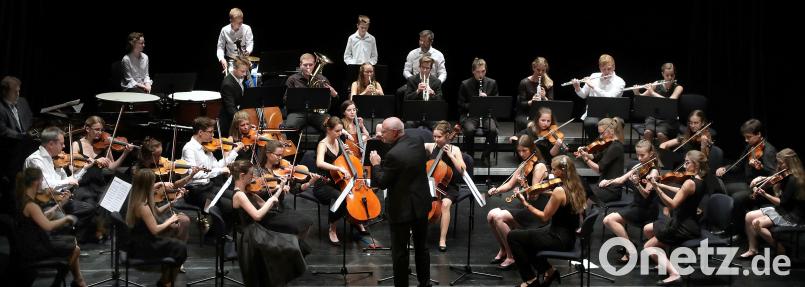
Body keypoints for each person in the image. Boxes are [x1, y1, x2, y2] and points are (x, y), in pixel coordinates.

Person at [369, 117, 432, 287]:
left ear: (395, 132)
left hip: (401, 209)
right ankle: (425, 282)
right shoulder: (417, 139)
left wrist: (376, 164)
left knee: (400, 252)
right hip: (421, 203)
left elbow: (382, 183)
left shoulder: (393, 155)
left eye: (384, 132)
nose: (381, 135)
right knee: (422, 247)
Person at [507, 155, 587, 287]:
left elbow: (544, 216)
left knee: (513, 236)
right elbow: (562, 197)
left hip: (558, 238)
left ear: (562, 171)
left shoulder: (559, 191)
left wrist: (525, 203)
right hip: (569, 236)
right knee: (527, 236)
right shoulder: (577, 185)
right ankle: (549, 271)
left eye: (554, 169)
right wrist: (543, 192)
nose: (551, 173)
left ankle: (530, 280)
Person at [229, 160, 307, 286]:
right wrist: (271, 200)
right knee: (288, 247)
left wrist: (279, 189)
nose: (254, 177)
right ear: (242, 176)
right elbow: (258, 215)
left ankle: (277, 281)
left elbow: (265, 205)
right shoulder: (239, 195)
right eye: (251, 175)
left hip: (257, 231)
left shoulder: (248, 191)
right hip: (249, 237)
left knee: (292, 243)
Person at [644, 150, 709, 285]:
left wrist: (657, 188)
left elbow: (672, 204)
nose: (684, 166)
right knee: (648, 229)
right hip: (685, 221)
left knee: (648, 247)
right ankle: (664, 262)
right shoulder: (699, 180)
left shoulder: (689, 183)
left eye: (687, 163)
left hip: (683, 226)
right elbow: (681, 192)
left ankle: (674, 274)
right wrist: (660, 184)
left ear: (696, 165)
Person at [15, 167, 87, 287]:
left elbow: (44, 216)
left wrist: (60, 204)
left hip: (35, 242)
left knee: (74, 247)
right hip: (34, 247)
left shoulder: (26, 200)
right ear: (36, 182)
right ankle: (65, 282)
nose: (42, 183)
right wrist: (66, 218)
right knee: (74, 249)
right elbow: (48, 226)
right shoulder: (30, 205)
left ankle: (77, 281)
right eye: (41, 180)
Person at [486, 135, 549, 269]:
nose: (521, 154)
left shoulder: (539, 166)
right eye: (519, 151)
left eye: (524, 151)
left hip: (537, 209)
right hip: (526, 205)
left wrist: (524, 185)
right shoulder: (525, 164)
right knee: (491, 214)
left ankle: (512, 256)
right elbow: (509, 185)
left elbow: (533, 197)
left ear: (532, 148)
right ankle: (503, 249)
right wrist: (496, 190)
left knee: (499, 218)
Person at [599, 139, 660, 262]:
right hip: (636, 205)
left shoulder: (653, 172)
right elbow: (621, 180)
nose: (639, 158)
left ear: (651, 154)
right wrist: (608, 181)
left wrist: (637, 184)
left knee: (609, 219)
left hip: (646, 209)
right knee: (609, 220)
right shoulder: (639, 166)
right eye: (637, 155)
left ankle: (630, 250)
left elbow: (646, 195)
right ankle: (630, 247)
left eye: (642, 155)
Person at [714, 119, 777, 238]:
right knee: (723, 188)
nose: (746, 140)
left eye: (749, 137)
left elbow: (773, 175)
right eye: (745, 137)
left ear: (759, 134)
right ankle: (734, 221)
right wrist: (725, 168)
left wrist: (761, 167)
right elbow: (738, 165)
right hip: (749, 185)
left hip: (761, 190)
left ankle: (739, 231)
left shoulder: (768, 151)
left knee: (737, 198)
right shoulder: (750, 147)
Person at [125, 169, 187, 287]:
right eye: (153, 183)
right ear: (147, 185)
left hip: (141, 240)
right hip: (144, 246)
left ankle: (165, 280)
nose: (155, 186)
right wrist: (170, 220)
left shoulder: (139, 198)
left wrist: (173, 201)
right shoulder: (142, 205)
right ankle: (166, 282)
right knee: (180, 249)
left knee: (177, 247)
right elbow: (155, 229)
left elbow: (157, 211)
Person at [739, 148, 805, 258]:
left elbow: (781, 202)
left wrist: (764, 194)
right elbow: (778, 179)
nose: (779, 165)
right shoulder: (787, 174)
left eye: (781, 163)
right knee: (748, 216)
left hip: (792, 215)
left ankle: (781, 249)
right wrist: (762, 178)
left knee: (757, 223)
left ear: (790, 162)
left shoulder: (794, 179)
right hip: (784, 210)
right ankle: (752, 249)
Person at [255, 139, 318, 239]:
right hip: (267, 210)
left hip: (281, 207)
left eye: (281, 155)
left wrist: (310, 182)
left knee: (308, 222)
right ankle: (292, 247)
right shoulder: (257, 171)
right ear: (268, 154)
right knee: (296, 227)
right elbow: (257, 192)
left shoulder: (282, 170)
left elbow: (296, 189)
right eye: (277, 155)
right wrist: (278, 188)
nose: (280, 158)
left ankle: (297, 248)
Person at [181, 117, 244, 214]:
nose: (213, 135)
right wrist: (221, 171)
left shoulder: (206, 146)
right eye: (210, 132)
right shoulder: (189, 149)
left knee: (237, 197)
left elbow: (217, 165)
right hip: (196, 191)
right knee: (229, 205)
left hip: (208, 186)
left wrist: (235, 151)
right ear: (200, 132)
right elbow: (195, 175)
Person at [424, 121, 466, 252]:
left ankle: (442, 239)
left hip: (449, 186)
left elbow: (462, 170)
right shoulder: (431, 146)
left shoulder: (455, 150)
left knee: (445, 204)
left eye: (439, 137)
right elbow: (415, 147)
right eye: (434, 136)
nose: (436, 139)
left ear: (448, 135)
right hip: (432, 184)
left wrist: (451, 156)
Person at [314, 116, 355, 245]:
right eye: (337, 131)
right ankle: (332, 229)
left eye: (341, 131)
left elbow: (345, 161)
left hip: (338, 181)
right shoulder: (323, 144)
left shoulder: (340, 142)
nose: (339, 133)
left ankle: (356, 221)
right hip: (323, 183)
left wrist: (348, 154)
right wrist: (338, 168)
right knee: (340, 198)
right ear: (329, 130)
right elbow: (319, 163)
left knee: (352, 197)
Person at [572, 54, 626, 140]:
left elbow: (609, 97)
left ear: (614, 67)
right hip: (594, 113)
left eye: (609, 69)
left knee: (613, 124)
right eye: (603, 69)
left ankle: (608, 147)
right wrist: (577, 88)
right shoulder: (594, 76)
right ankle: (596, 147)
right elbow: (583, 95)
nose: (606, 72)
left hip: (612, 114)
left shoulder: (620, 82)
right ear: (600, 68)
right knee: (589, 123)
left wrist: (593, 86)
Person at [1, 75, 34, 213]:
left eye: (19, 90)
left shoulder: (22, 102)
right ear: (5, 92)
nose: (18, 94)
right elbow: (2, 130)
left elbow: (30, 120)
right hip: (9, 150)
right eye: (15, 91)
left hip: (26, 146)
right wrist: (22, 136)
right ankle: (13, 209)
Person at [458, 58, 500, 163]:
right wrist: (475, 103)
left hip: (487, 114)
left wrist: (487, 100)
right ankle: (470, 155)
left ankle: (485, 155)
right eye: (478, 72)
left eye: (483, 71)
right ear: (473, 71)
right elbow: (460, 104)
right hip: (471, 115)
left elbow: (497, 102)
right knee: (469, 130)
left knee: (493, 130)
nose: (480, 75)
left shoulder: (492, 83)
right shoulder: (465, 84)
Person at [575, 118, 625, 204]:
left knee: (582, 196)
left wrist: (585, 158)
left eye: (602, 133)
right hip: (603, 185)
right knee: (579, 190)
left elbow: (598, 169)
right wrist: (585, 154)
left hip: (611, 190)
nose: (601, 136)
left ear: (612, 131)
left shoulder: (616, 147)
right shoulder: (609, 144)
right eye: (600, 133)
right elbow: (596, 156)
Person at [284, 53, 338, 134]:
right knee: (290, 127)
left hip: (317, 113)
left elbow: (333, 101)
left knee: (331, 126)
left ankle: (321, 146)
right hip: (298, 112)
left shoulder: (322, 79)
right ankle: (293, 147)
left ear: (315, 64)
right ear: (300, 65)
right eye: (305, 65)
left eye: (310, 65)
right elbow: (285, 99)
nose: (308, 67)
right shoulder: (292, 79)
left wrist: (334, 94)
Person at [632, 63, 684, 143]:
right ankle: (648, 154)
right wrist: (637, 92)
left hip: (668, 119)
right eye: (667, 75)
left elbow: (670, 101)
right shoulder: (656, 84)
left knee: (660, 134)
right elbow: (642, 98)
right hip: (653, 116)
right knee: (648, 132)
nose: (670, 78)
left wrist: (653, 93)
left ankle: (665, 154)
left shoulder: (678, 87)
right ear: (662, 74)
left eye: (672, 75)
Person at [516, 57, 554, 132]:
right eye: (538, 70)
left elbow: (551, 103)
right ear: (533, 68)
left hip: (543, 115)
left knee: (552, 127)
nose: (540, 72)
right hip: (526, 114)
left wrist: (544, 97)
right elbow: (520, 104)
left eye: (543, 70)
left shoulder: (549, 83)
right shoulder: (524, 82)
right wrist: (531, 102)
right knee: (533, 126)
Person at [219, 57, 250, 134]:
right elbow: (231, 108)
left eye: (246, 71)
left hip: (239, 120)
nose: (245, 74)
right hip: (230, 123)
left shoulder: (240, 77)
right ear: (234, 68)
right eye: (242, 71)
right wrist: (244, 122)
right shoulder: (227, 84)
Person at [216, 8, 254, 73]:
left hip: (244, 58)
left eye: (241, 22)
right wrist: (222, 59)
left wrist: (247, 51)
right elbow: (220, 47)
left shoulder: (247, 28)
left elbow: (250, 43)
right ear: (231, 21)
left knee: (252, 75)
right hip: (231, 58)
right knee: (231, 79)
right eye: (238, 23)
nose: (240, 24)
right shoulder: (224, 30)